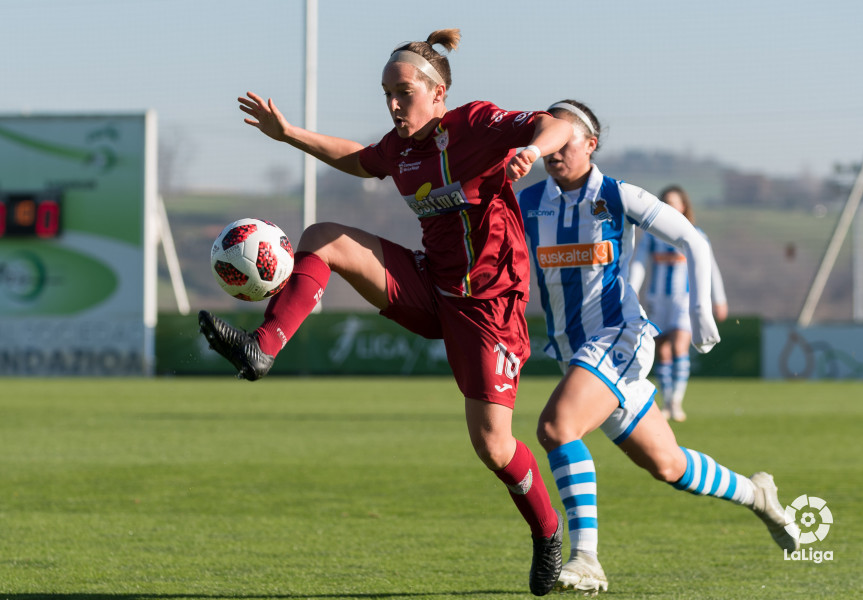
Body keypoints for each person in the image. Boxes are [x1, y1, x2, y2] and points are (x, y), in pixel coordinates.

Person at [197, 29, 574, 596]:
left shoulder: (472, 125)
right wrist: (289, 133)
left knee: (494, 446)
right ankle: (263, 348)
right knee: (323, 236)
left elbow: (561, 124)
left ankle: (547, 534)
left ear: (438, 93)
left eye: (404, 92)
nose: (394, 104)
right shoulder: (400, 150)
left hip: (489, 308)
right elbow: (359, 159)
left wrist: (533, 151)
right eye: (386, 95)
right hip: (430, 284)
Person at [517, 100, 798, 595]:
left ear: (590, 144)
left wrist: (700, 311)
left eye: (564, 137)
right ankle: (759, 494)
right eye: (545, 137)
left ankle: (586, 558)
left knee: (557, 428)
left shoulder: (616, 194)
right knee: (669, 465)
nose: (552, 148)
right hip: (575, 354)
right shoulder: (529, 202)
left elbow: (693, 239)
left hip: (619, 337)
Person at [629, 185, 728, 421]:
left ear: (683, 206)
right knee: (662, 350)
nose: (671, 207)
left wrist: (719, 299)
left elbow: (711, 268)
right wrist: (632, 290)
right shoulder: (651, 236)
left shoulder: (695, 234)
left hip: (684, 300)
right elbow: (639, 263)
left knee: (679, 346)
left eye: (675, 203)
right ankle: (667, 400)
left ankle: (677, 402)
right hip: (657, 299)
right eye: (666, 202)